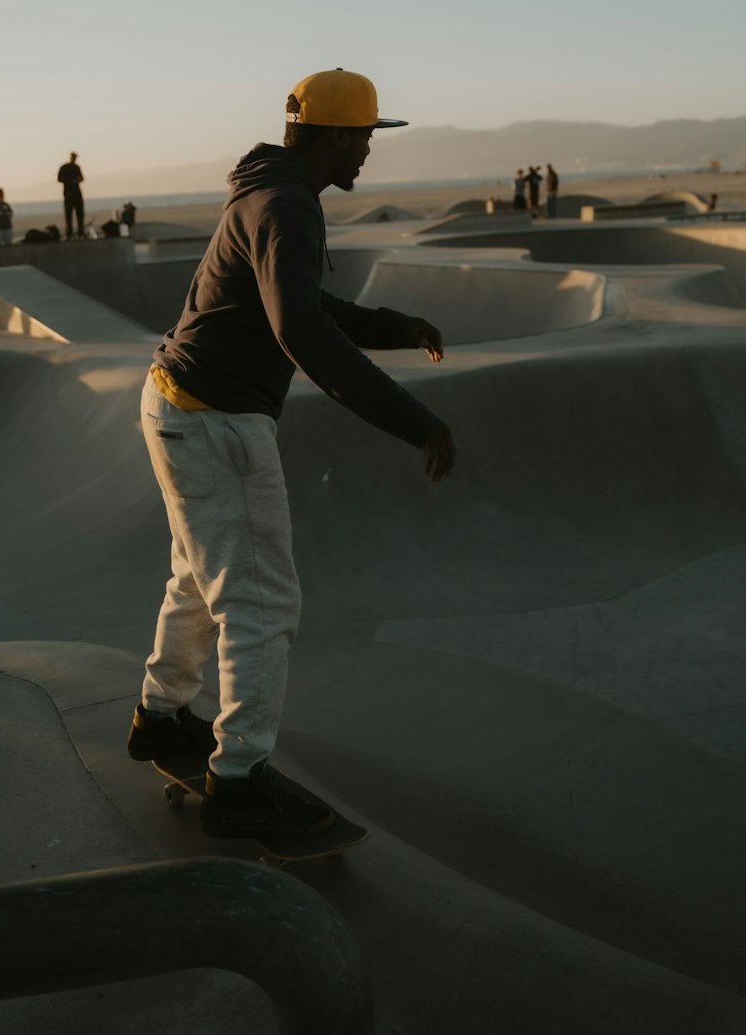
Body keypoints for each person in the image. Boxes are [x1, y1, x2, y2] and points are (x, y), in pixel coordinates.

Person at [127, 68, 456, 840]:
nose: (370, 152)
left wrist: (393, 323)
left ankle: (160, 714)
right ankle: (238, 778)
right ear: (337, 135)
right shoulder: (287, 205)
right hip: (214, 419)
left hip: (175, 401)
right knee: (261, 603)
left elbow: (302, 302)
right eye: (367, 138)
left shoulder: (267, 190)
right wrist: (416, 422)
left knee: (195, 577)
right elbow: (301, 333)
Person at [57, 152, 85, 239]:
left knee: (79, 214)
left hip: (77, 194)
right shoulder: (64, 167)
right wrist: (69, 181)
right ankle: (70, 233)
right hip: (68, 194)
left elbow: (81, 178)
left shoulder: (76, 167)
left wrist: (76, 180)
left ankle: (80, 232)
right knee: (68, 216)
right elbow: (59, 178)